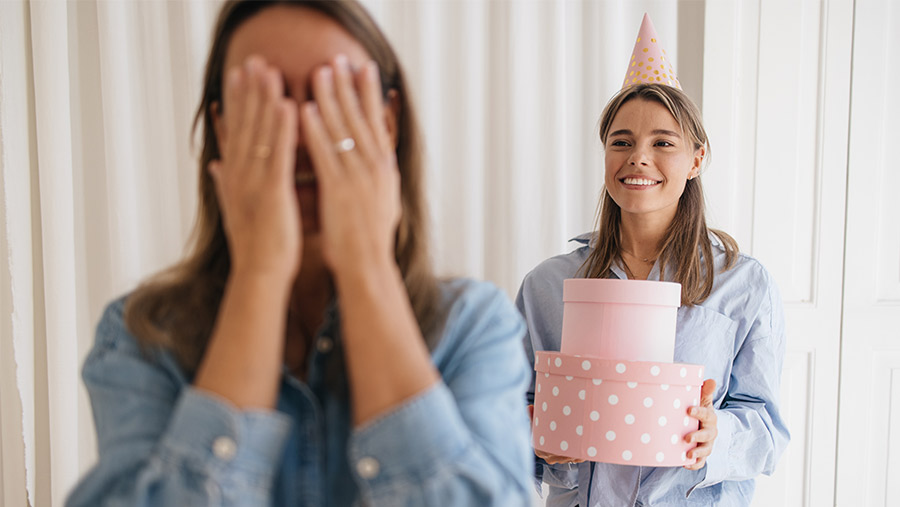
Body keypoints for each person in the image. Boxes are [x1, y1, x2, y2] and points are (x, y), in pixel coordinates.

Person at [66, 1, 533, 505]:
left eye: (336, 95)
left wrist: (367, 265)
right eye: (264, 101)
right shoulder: (142, 336)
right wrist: (260, 273)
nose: (301, 133)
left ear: (388, 122)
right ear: (223, 131)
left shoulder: (472, 325)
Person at [517, 15, 789, 506]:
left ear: (696, 159)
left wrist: (716, 435)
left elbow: (767, 429)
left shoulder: (743, 284)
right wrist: (539, 442)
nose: (638, 157)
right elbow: (510, 410)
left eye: (663, 142)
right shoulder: (547, 284)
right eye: (621, 142)